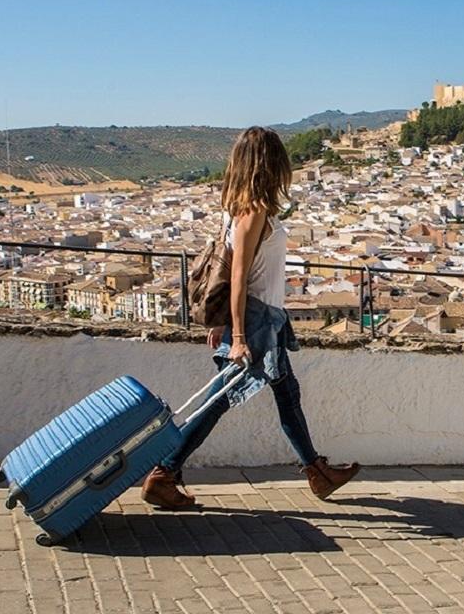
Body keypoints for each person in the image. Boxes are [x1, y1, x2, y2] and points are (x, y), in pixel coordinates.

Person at [141, 126, 360, 509]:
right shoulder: (252, 212)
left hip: (264, 317)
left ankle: (317, 472)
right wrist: (238, 335)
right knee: (218, 402)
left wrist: (221, 323)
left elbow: (229, 269)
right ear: (269, 164)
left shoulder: (238, 209)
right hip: (256, 320)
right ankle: (164, 472)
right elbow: (238, 275)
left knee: (285, 395)